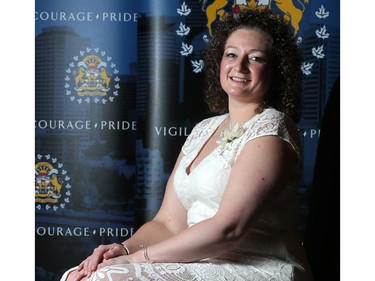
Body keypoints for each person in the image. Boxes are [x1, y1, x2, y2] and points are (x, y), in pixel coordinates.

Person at [61, 8, 313, 281]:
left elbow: (228, 229)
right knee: (80, 274)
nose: (239, 66)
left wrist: (135, 260)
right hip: (201, 261)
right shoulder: (203, 130)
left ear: (277, 71)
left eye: (255, 58)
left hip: (257, 267)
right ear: (219, 61)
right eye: (231, 54)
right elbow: (168, 224)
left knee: (108, 278)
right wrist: (121, 249)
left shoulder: (271, 128)